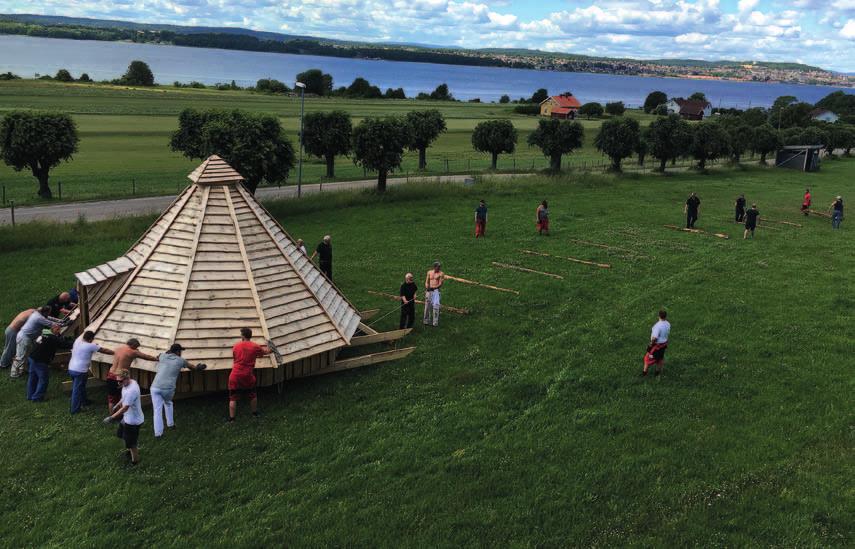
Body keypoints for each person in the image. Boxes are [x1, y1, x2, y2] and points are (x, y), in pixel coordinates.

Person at [150, 343, 206, 438]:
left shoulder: (162, 356)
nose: (181, 353)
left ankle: (158, 434)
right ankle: (171, 424)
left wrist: (166, 353)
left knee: (157, 411)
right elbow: (194, 368)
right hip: (168, 388)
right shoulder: (180, 360)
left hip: (155, 387)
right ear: (178, 352)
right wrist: (200, 367)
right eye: (180, 351)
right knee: (168, 403)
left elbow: (158, 356)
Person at [228, 328, 271, 422]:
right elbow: (265, 352)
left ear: (243, 336)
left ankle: (232, 419)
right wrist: (270, 349)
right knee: (252, 394)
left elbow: (235, 358)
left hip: (235, 375)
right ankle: (255, 414)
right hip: (248, 375)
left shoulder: (235, 346)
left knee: (233, 397)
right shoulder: (255, 346)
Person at [103, 369, 143, 466]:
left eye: (120, 381)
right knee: (121, 434)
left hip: (133, 421)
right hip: (127, 418)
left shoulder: (131, 391)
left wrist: (111, 418)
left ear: (127, 378)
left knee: (131, 443)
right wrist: (117, 404)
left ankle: (135, 462)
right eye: (117, 381)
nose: (118, 383)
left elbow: (125, 408)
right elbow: (123, 397)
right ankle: (129, 450)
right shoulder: (130, 383)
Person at [105, 339, 157, 413]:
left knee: (111, 398)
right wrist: (157, 359)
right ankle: (120, 415)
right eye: (136, 347)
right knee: (122, 397)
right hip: (121, 376)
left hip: (110, 374)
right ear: (133, 345)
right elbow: (146, 356)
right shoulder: (133, 352)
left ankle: (112, 415)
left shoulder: (118, 349)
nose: (136, 348)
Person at [68, 331, 114, 414]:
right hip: (80, 371)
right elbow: (104, 350)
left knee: (80, 387)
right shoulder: (90, 346)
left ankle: (84, 401)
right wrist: (115, 352)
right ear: (91, 339)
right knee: (77, 390)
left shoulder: (77, 342)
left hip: (71, 368)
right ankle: (75, 410)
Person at [26, 325, 73, 402]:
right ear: (53, 329)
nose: (59, 331)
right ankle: (37, 397)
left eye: (59, 329)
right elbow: (64, 344)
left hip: (32, 357)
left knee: (33, 377)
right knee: (43, 379)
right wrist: (76, 343)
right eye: (57, 329)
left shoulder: (44, 333)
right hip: (40, 360)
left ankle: (30, 395)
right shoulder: (53, 338)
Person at [10, 306, 58, 379]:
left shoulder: (37, 314)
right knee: (20, 356)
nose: (49, 314)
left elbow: (50, 318)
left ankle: (22, 370)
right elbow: (51, 323)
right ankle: (14, 374)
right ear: (45, 312)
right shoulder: (39, 318)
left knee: (27, 354)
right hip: (24, 338)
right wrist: (62, 324)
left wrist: (61, 321)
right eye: (48, 313)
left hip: (26, 337)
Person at [643, 310, 671, 377]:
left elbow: (654, 338)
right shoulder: (668, 323)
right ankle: (657, 373)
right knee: (660, 358)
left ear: (658, 316)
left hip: (656, 346)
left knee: (647, 358)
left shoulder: (658, 326)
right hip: (663, 345)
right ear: (665, 316)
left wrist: (651, 344)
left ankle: (644, 373)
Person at [423, 262, 445, 327]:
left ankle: (435, 322)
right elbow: (426, 282)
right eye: (438, 267)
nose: (439, 268)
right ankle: (426, 321)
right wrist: (427, 287)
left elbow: (440, 284)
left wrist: (433, 288)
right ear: (434, 267)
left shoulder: (441, 274)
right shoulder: (429, 272)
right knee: (427, 306)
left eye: (439, 267)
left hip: (436, 291)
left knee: (436, 306)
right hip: (429, 291)